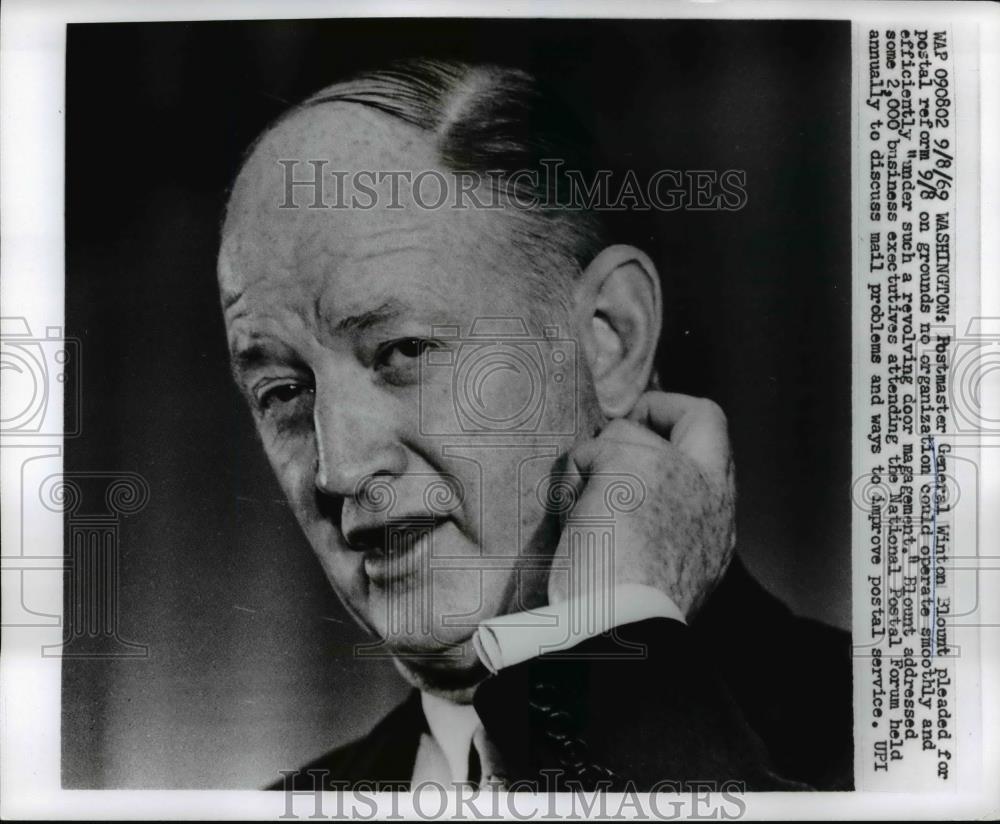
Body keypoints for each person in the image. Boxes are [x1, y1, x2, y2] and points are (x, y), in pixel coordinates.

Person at [217, 58, 852, 792]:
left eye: (403, 351)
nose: (339, 470)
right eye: (283, 391)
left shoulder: (914, 747)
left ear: (609, 340)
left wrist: (614, 651)